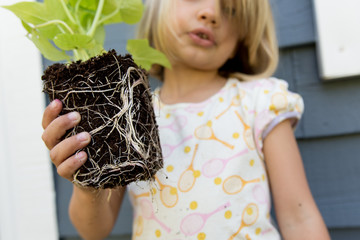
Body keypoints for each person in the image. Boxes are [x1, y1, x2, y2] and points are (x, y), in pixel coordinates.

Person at [41, 0, 331, 239]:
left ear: (244, 37)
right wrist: (86, 180)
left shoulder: (259, 101)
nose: (211, 13)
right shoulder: (129, 114)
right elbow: (95, 229)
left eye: (230, 9)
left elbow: (299, 217)